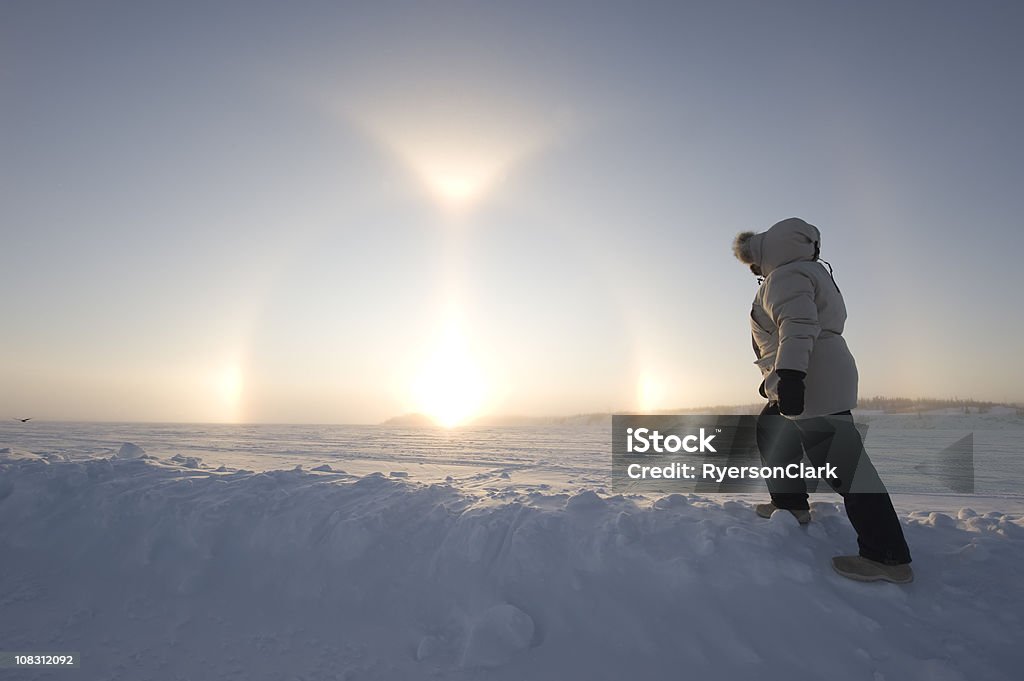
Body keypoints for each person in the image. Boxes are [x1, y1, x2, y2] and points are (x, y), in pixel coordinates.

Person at [732, 218, 913, 584]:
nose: (754, 270)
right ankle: (790, 504)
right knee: (771, 428)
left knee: (845, 467)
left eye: (754, 262)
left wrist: (792, 376)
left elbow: (797, 325)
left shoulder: (784, 276)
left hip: (811, 378)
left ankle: (888, 557)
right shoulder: (809, 271)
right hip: (816, 372)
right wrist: (775, 377)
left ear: (765, 253)